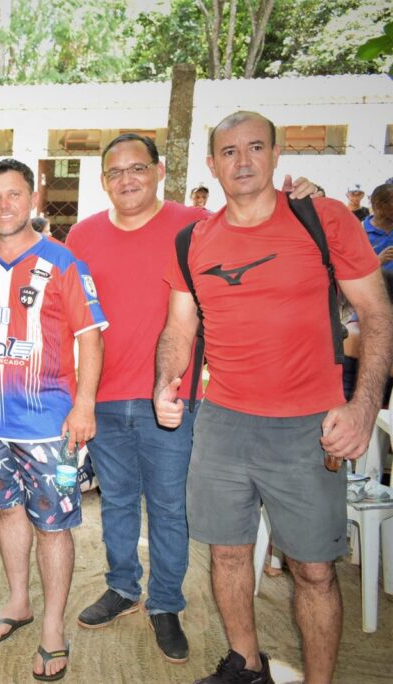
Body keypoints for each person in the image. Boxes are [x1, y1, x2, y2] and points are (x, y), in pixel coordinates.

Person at [154, 110, 393, 684]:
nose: (243, 161)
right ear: (212, 164)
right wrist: (165, 382)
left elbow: (377, 314)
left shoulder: (323, 219)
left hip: (309, 425)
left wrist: (363, 406)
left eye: (255, 147)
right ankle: (246, 663)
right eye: (229, 151)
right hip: (223, 423)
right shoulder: (193, 240)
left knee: (314, 571)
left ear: (276, 154)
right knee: (227, 552)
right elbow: (179, 328)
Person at [66, 133, 318, 664]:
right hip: (103, 395)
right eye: (115, 172)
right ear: (103, 181)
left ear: (159, 171)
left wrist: (304, 202)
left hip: (173, 397)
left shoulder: (196, 225)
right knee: (116, 501)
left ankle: (165, 603)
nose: (127, 179)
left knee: (168, 507)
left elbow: (257, 223)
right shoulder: (82, 235)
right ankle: (122, 586)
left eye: (138, 168)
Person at [0, 158, 106, 681]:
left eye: (15, 194)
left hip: (50, 426)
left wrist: (84, 404)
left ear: (32, 200)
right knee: (7, 513)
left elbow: (90, 337)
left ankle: (52, 628)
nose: (4, 204)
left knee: (53, 527)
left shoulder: (63, 262)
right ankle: (19, 602)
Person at [363, 183, 393, 272]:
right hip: (375, 280)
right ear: (378, 205)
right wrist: (378, 261)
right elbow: (352, 268)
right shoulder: (360, 231)